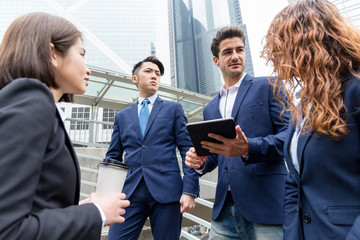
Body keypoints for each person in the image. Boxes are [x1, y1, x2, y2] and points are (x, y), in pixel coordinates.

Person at [0, 12, 130, 240]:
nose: (87, 68)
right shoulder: (32, 98)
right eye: (81, 54)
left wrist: (79, 210)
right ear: (52, 54)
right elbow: (8, 229)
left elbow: (33, 206)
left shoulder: (29, 103)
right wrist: (96, 213)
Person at [261, 0, 360, 239]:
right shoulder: (304, 105)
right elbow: (295, 182)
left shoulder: (355, 89)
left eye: (280, 45)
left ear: (304, 41)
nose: (275, 57)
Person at [185, 25, 290, 240]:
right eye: (227, 52)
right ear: (216, 60)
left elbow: (289, 137)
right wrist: (201, 162)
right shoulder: (210, 108)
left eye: (239, 50)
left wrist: (248, 147)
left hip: (266, 204)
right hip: (224, 210)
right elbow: (217, 155)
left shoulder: (270, 86)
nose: (235, 56)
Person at [105, 56, 199, 240]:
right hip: (130, 192)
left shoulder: (174, 109)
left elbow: (188, 150)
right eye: (148, 71)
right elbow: (113, 156)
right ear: (135, 79)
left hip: (168, 192)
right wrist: (106, 194)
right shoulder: (122, 116)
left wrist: (189, 190)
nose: (154, 75)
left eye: (157, 73)